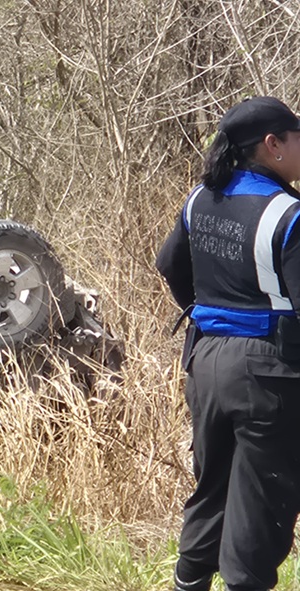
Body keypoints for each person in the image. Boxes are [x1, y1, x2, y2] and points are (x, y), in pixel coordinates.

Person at [156, 96, 300, 591]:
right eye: (299, 138)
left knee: (212, 487)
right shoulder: (286, 213)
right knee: (262, 502)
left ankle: (188, 581)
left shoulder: (200, 198)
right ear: (272, 145)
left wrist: (208, 308)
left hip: (206, 360)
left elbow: (169, 265)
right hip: (268, 372)